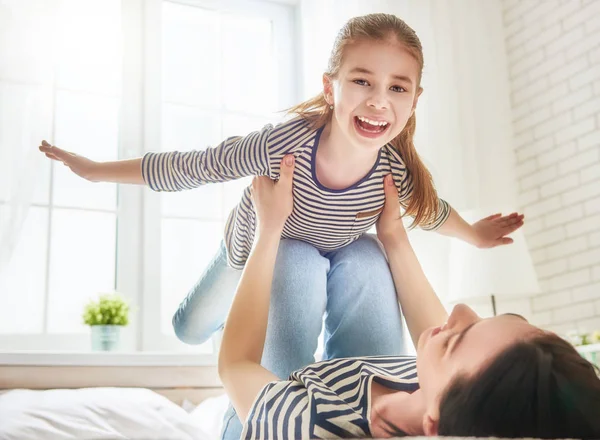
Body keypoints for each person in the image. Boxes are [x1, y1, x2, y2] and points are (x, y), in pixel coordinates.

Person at [39, 13, 524, 350]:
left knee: (348, 259)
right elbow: (193, 165)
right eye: (362, 81)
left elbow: (432, 212)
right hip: (249, 253)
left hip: (320, 258)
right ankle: (230, 324)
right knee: (189, 329)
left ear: (414, 100)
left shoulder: (390, 173)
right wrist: (97, 171)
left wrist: (475, 234)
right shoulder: (283, 146)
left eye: (397, 87)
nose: (380, 100)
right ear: (330, 87)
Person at [218, 154, 600, 439]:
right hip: (361, 382)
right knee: (366, 254)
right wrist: (393, 234)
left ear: (433, 425)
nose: (462, 309)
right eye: (510, 319)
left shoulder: (310, 428)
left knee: (292, 256)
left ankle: (192, 323)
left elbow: (235, 366)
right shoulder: (451, 394)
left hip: (261, 412)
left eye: (453, 342)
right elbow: (440, 334)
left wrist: (268, 229)